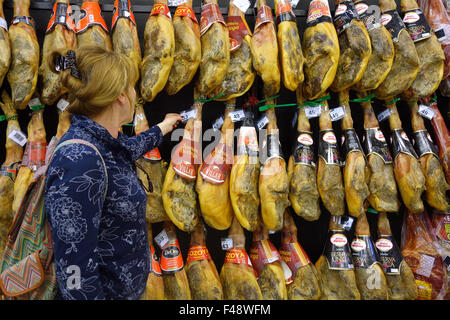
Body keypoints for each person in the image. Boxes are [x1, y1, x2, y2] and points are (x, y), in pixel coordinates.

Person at [44, 46, 182, 300]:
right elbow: (73, 270)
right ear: (120, 95)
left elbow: (126, 150)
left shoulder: (103, 142)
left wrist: (162, 128)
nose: (134, 92)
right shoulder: (79, 161)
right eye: (132, 87)